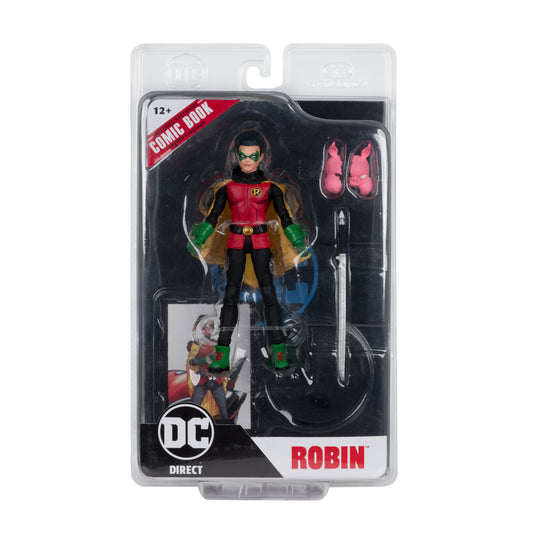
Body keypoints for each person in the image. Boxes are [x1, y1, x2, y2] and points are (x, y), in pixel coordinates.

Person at [188, 131, 308, 372]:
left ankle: (279, 355)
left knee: (269, 294)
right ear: (236, 155)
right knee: (230, 295)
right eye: (243, 155)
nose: (247, 160)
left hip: (262, 240)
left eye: (253, 156)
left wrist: (296, 238)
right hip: (235, 240)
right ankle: (222, 356)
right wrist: (199, 238)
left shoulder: (271, 188)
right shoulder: (227, 188)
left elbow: (285, 217)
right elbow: (212, 216)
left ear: (261, 157)